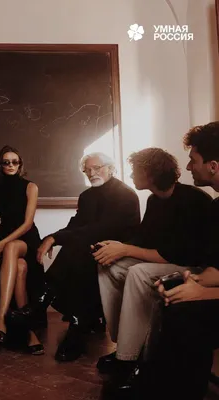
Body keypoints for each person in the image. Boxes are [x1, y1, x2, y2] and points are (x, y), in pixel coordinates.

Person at [93, 147, 212, 395]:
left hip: (193, 268)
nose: (131, 175)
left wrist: (126, 249)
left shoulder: (193, 200)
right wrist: (115, 247)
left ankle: (127, 361)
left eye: (135, 170)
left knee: (137, 273)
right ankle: (125, 343)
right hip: (165, 262)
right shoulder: (153, 200)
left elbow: (177, 254)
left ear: (150, 174)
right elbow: (143, 239)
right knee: (108, 263)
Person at [36, 152, 140, 362]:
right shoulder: (87, 196)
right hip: (92, 248)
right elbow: (77, 225)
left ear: (110, 168)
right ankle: (77, 321)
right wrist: (52, 237)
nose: (92, 173)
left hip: (120, 250)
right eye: (87, 170)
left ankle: (47, 300)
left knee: (81, 251)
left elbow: (103, 229)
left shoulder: (126, 194)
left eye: (97, 168)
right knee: (80, 249)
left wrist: (57, 238)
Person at [142, 122, 219, 400]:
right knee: (174, 296)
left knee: (186, 314)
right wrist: (191, 280)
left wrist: (203, 293)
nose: (188, 167)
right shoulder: (216, 207)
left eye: (193, 160)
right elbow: (216, 267)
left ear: (213, 166)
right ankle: (155, 383)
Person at [0, 145, 45, 355]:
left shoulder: (30, 187)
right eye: (6, 162)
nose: (10, 165)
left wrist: (1, 243)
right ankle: (29, 332)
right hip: (5, 238)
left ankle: (1, 320)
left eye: (14, 162)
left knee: (11, 247)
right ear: (0, 166)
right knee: (20, 266)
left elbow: (27, 224)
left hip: (26, 238)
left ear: (20, 164)